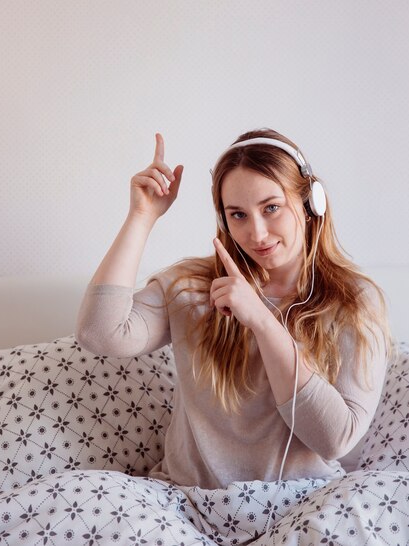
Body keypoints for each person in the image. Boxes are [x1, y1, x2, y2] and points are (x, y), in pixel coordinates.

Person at [75, 128, 393, 490]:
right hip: (186, 505)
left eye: (271, 208)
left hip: (302, 505)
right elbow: (99, 335)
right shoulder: (192, 286)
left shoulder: (354, 300)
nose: (257, 234)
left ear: (310, 204)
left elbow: (335, 440)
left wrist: (260, 319)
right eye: (238, 214)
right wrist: (141, 217)